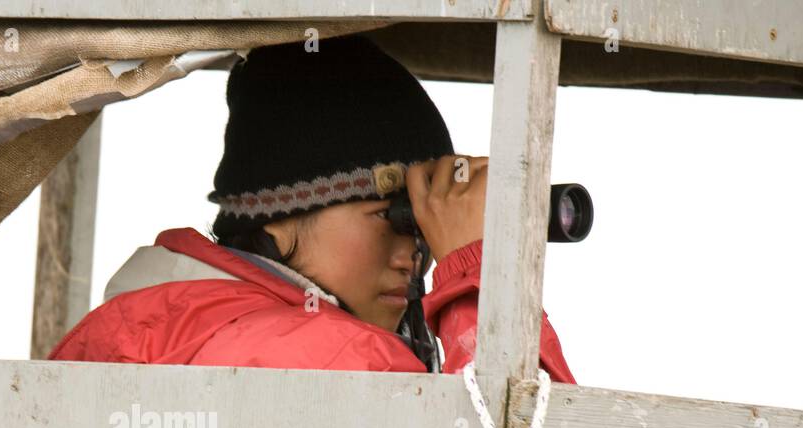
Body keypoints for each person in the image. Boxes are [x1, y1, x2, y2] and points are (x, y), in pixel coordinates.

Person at [48, 34, 576, 384]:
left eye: (425, 230)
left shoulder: (133, 330)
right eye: (392, 218)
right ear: (276, 215)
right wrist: (478, 279)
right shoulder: (344, 362)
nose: (413, 259)